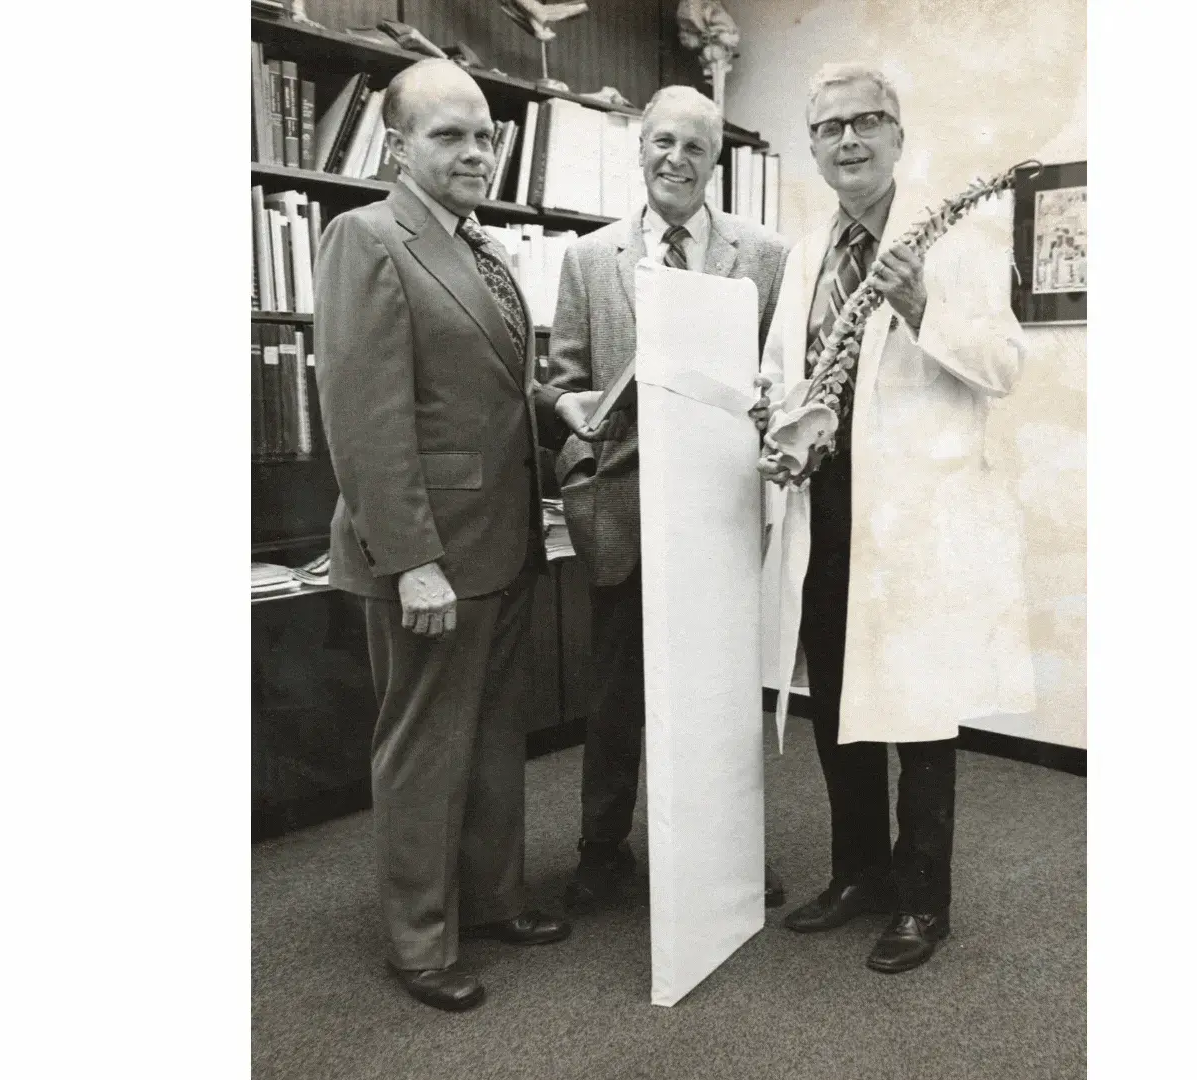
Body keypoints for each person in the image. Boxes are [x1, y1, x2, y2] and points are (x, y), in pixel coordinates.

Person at [756, 62, 1037, 973]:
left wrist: (919, 302)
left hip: (914, 523)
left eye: (868, 121)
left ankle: (923, 901)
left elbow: (1001, 365)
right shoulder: (805, 255)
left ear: (898, 134)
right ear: (813, 146)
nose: (850, 139)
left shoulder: (960, 239)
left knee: (917, 713)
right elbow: (779, 368)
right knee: (836, 704)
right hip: (824, 510)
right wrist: (772, 414)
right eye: (831, 126)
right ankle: (858, 876)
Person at [312, 58, 569, 1013]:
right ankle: (418, 943)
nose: (475, 151)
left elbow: (484, 392)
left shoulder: (482, 249)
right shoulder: (365, 239)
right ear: (398, 147)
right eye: (449, 135)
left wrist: (557, 408)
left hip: (500, 546)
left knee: (496, 739)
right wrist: (413, 563)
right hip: (428, 560)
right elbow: (366, 419)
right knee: (424, 749)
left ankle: (494, 901)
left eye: (485, 135)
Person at [534, 85, 792, 915]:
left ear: (715, 162)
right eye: (663, 143)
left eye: (695, 147)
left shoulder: (763, 257)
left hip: (717, 514)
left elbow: (780, 385)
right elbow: (566, 390)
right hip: (623, 516)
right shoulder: (588, 259)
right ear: (639, 148)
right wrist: (581, 492)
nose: (676, 160)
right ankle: (601, 850)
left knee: (719, 695)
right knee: (614, 703)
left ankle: (725, 849)